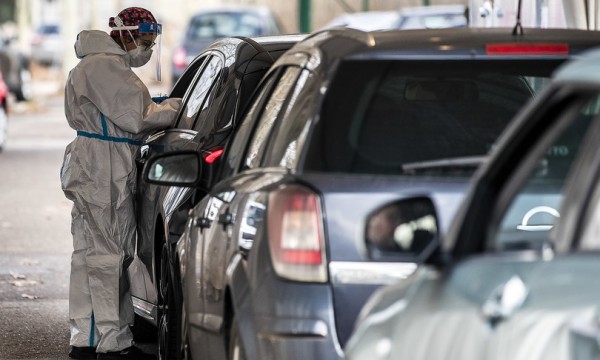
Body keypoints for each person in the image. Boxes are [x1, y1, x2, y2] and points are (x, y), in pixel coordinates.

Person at [60, 7, 181, 360]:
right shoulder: (105, 67)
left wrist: (154, 105)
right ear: (124, 35)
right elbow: (137, 117)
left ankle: (86, 339)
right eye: (144, 40)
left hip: (96, 163)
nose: (147, 48)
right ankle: (113, 344)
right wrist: (177, 108)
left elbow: (125, 108)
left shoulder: (99, 65)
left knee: (89, 255)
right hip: (104, 168)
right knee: (110, 254)